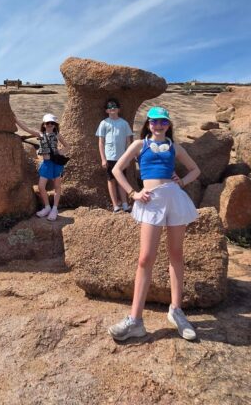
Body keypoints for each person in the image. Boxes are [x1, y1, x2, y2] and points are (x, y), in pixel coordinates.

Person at [108, 106, 201, 341]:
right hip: (151, 201)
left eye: (163, 122)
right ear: (148, 124)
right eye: (154, 122)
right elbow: (117, 169)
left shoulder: (175, 147)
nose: (158, 125)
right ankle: (135, 321)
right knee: (145, 258)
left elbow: (195, 170)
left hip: (174, 199)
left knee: (176, 255)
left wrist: (182, 182)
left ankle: (176, 311)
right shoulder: (140, 145)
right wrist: (133, 193)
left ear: (168, 125)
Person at [14, 113, 68, 221]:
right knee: (41, 186)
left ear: (55, 125)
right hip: (46, 164)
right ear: (44, 124)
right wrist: (16, 120)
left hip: (56, 163)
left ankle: (55, 209)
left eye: (52, 123)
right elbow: (27, 129)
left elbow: (68, 146)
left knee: (57, 186)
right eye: (48, 123)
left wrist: (61, 151)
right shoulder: (41, 134)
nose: (50, 125)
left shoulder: (57, 134)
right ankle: (47, 207)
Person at [95, 98, 133, 212]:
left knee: (122, 180)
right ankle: (115, 205)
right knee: (111, 180)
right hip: (109, 157)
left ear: (119, 109)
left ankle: (125, 204)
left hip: (122, 157)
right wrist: (103, 159)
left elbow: (128, 142)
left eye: (114, 107)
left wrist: (128, 158)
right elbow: (101, 142)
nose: (112, 109)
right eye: (110, 108)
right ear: (106, 111)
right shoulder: (104, 123)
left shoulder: (124, 123)